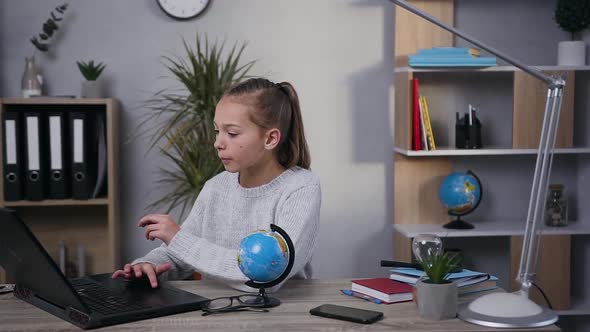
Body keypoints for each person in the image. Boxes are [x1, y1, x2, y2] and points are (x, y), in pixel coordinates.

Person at [112, 78, 321, 291]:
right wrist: (149, 264)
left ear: (270, 139)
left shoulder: (301, 188)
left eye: (231, 133)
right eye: (217, 131)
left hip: (282, 316)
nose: (218, 143)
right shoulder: (216, 187)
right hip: (216, 310)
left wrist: (177, 238)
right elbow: (179, 253)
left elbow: (267, 278)